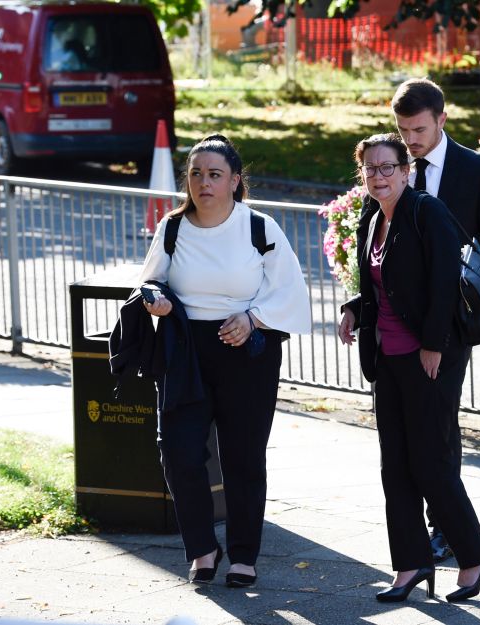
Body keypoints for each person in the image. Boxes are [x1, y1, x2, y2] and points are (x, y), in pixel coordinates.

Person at [137, 134, 310, 587]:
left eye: (215, 175)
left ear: (235, 181)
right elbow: (150, 280)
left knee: (243, 457)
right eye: (196, 174)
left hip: (246, 352)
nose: (204, 183)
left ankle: (243, 555)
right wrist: (156, 301)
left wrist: (253, 319)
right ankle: (201, 548)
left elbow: (291, 291)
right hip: (185, 352)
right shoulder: (172, 227)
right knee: (178, 453)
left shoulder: (259, 228)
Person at [337, 133, 480, 603]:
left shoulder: (426, 211)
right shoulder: (372, 218)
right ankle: (410, 565)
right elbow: (380, 282)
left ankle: (473, 556)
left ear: (407, 171)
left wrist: (434, 345)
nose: (378, 176)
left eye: (388, 168)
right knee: (396, 468)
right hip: (387, 358)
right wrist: (354, 308)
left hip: (427, 356)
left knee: (431, 464)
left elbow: (444, 280)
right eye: (370, 169)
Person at [391, 77, 480, 563]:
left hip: (449, 322)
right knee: (410, 426)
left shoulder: (476, 170)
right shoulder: (395, 164)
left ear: (442, 120)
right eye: (403, 131)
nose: (411, 141)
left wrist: (470, 299)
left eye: (419, 129)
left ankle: (445, 526)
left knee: (439, 424)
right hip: (399, 319)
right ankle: (436, 527)